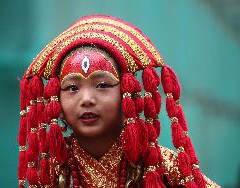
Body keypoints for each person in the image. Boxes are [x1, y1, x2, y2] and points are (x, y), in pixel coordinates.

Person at [17, 14, 220, 188]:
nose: (87, 99)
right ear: (56, 102)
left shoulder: (161, 167)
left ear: (127, 94)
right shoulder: (49, 172)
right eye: (72, 88)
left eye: (103, 85)